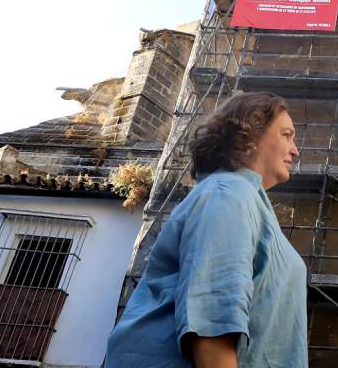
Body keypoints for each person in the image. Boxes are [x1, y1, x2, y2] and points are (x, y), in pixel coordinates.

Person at [105, 92, 306, 368]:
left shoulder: (246, 199)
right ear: (250, 134)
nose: (295, 149)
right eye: (286, 135)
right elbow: (212, 326)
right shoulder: (228, 193)